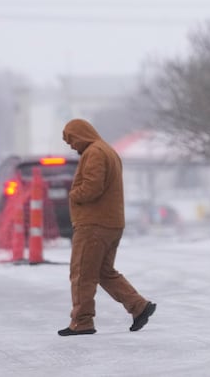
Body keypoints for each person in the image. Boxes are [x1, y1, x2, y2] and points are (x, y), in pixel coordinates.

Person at [58, 118, 156, 336]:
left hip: (94, 225)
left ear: (82, 134)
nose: (72, 146)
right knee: (103, 272)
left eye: (72, 140)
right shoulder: (107, 151)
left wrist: (73, 195)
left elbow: (92, 187)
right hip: (110, 224)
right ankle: (139, 306)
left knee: (82, 273)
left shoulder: (94, 153)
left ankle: (82, 321)